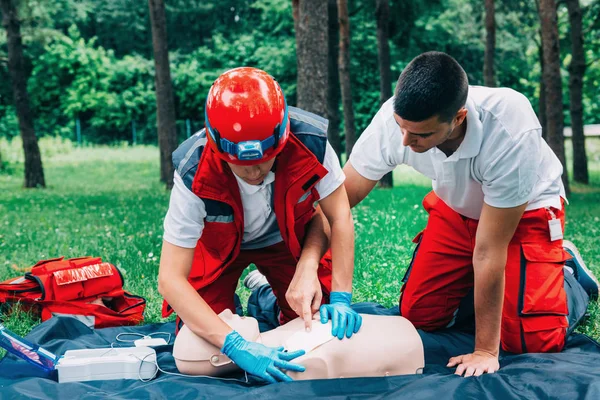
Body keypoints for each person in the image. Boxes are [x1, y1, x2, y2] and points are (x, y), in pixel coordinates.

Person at [337, 51, 600, 377]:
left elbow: (489, 250)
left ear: (458, 118)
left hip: (524, 213)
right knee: (419, 316)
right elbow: (339, 199)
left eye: (420, 135)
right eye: (401, 128)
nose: (405, 140)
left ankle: (568, 272)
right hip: (456, 207)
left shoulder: (510, 126)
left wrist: (485, 351)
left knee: (530, 340)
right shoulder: (397, 121)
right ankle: (507, 287)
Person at [158, 67, 362, 383]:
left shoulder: (311, 141)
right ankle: (240, 302)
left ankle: (266, 293)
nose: (254, 172)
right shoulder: (192, 169)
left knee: (312, 324)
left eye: (264, 160)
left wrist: (340, 296)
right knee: (198, 354)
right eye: (241, 164)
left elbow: (338, 217)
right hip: (217, 251)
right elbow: (170, 278)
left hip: (287, 241)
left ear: (282, 138)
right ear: (216, 146)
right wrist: (236, 344)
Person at [172, 309, 424, 382]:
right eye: (221, 321)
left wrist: (338, 299)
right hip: (412, 351)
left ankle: (262, 290)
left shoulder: (281, 337)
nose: (226, 312)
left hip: (403, 333)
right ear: (219, 358)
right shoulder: (294, 360)